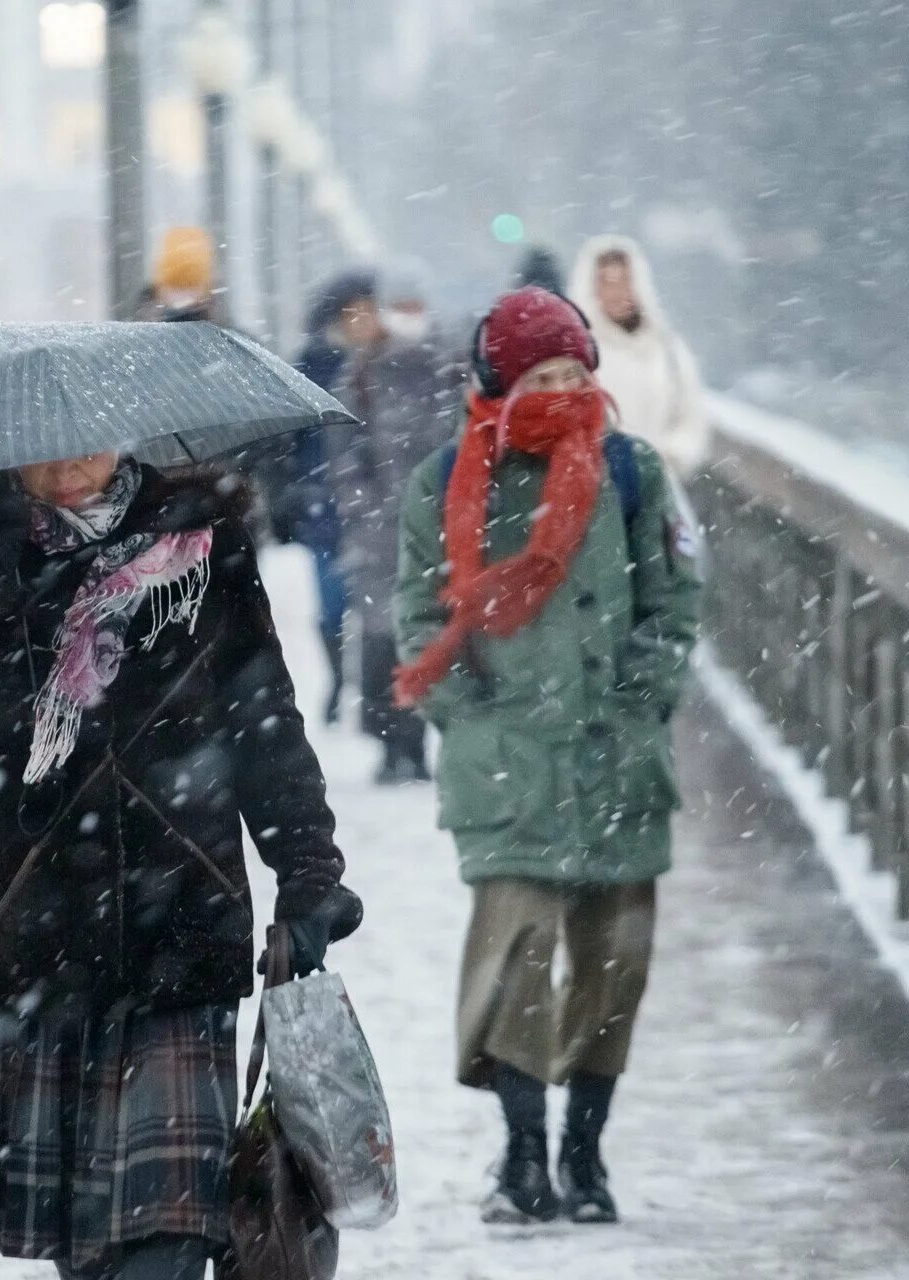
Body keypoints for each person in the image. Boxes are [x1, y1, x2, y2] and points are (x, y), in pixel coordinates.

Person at [0, 452, 362, 1280]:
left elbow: (262, 718)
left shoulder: (200, 541)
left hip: (183, 927)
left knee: (170, 1238)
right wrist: (7, 591)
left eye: (98, 438)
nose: (76, 459)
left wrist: (309, 872)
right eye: (49, 445)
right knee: (86, 1248)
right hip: (41, 939)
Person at [392, 288, 700, 1226]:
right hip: (508, 765)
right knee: (514, 962)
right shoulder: (445, 483)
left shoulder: (635, 471)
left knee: (614, 966)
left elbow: (677, 604)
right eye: (541, 377)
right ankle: (524, 1153)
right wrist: (477, 718)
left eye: (575, 374)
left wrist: (638, 697)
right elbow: (418, 621)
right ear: (498, 382)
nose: (564, 392)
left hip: (617, 758)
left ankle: (585, 1152)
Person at [333, 268, 465, 782]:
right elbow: (345, 460)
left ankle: (418, 741)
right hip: (380, 538)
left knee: (430, 638)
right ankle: (391, 744)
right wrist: (372, 513)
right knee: (382, 641)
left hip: (438, 532)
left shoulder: (449, 369)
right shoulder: (360, 376)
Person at [281, 270, 378, 724]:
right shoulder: (314, 363)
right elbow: (291, 438)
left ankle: (371, 685)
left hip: (373, 505)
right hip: (325, 505)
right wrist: (300, 488)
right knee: (331, 605)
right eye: (353, 311)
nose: (362, 320)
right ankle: (339, 678)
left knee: (377, 608)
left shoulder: (384, 365)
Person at [570, 234, 710, 477]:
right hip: (597, 487)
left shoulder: (668, 350)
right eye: (606, 282)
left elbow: (690, 416)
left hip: (657, 483)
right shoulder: (576, 351)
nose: (616, 292)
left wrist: (669, 456)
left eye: (624, 280)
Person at [149, 226, 223, 324]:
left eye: (190, 284)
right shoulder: (137, 332)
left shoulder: (223, 334)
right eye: (174, 285)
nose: (182, 297)